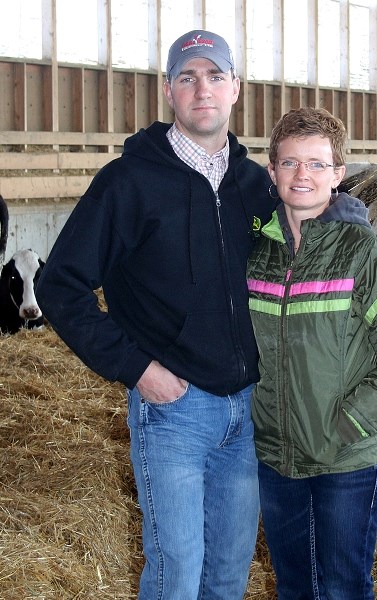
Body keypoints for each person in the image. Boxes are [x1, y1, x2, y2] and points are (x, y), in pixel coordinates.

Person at [36, 30, 275, 599]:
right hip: (175, 412)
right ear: (168, 91)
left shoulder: (254, 184)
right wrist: (138, 368)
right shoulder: (129, 183)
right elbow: (59, 285)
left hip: (248, 413)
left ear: (235, 89)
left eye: (215, 76)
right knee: (177, 576)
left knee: (228, 575)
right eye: (188, 77)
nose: (203, 90)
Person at [246, 107, 377, 600]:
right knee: (294, 587)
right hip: (277, 459)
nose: (302, 175)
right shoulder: (256, 254)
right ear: (272, 171)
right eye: (289, 163)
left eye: (316, 163)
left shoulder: (365, 253)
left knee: (343, 587)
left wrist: (348, 423)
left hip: (345, 462)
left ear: (338, 174)